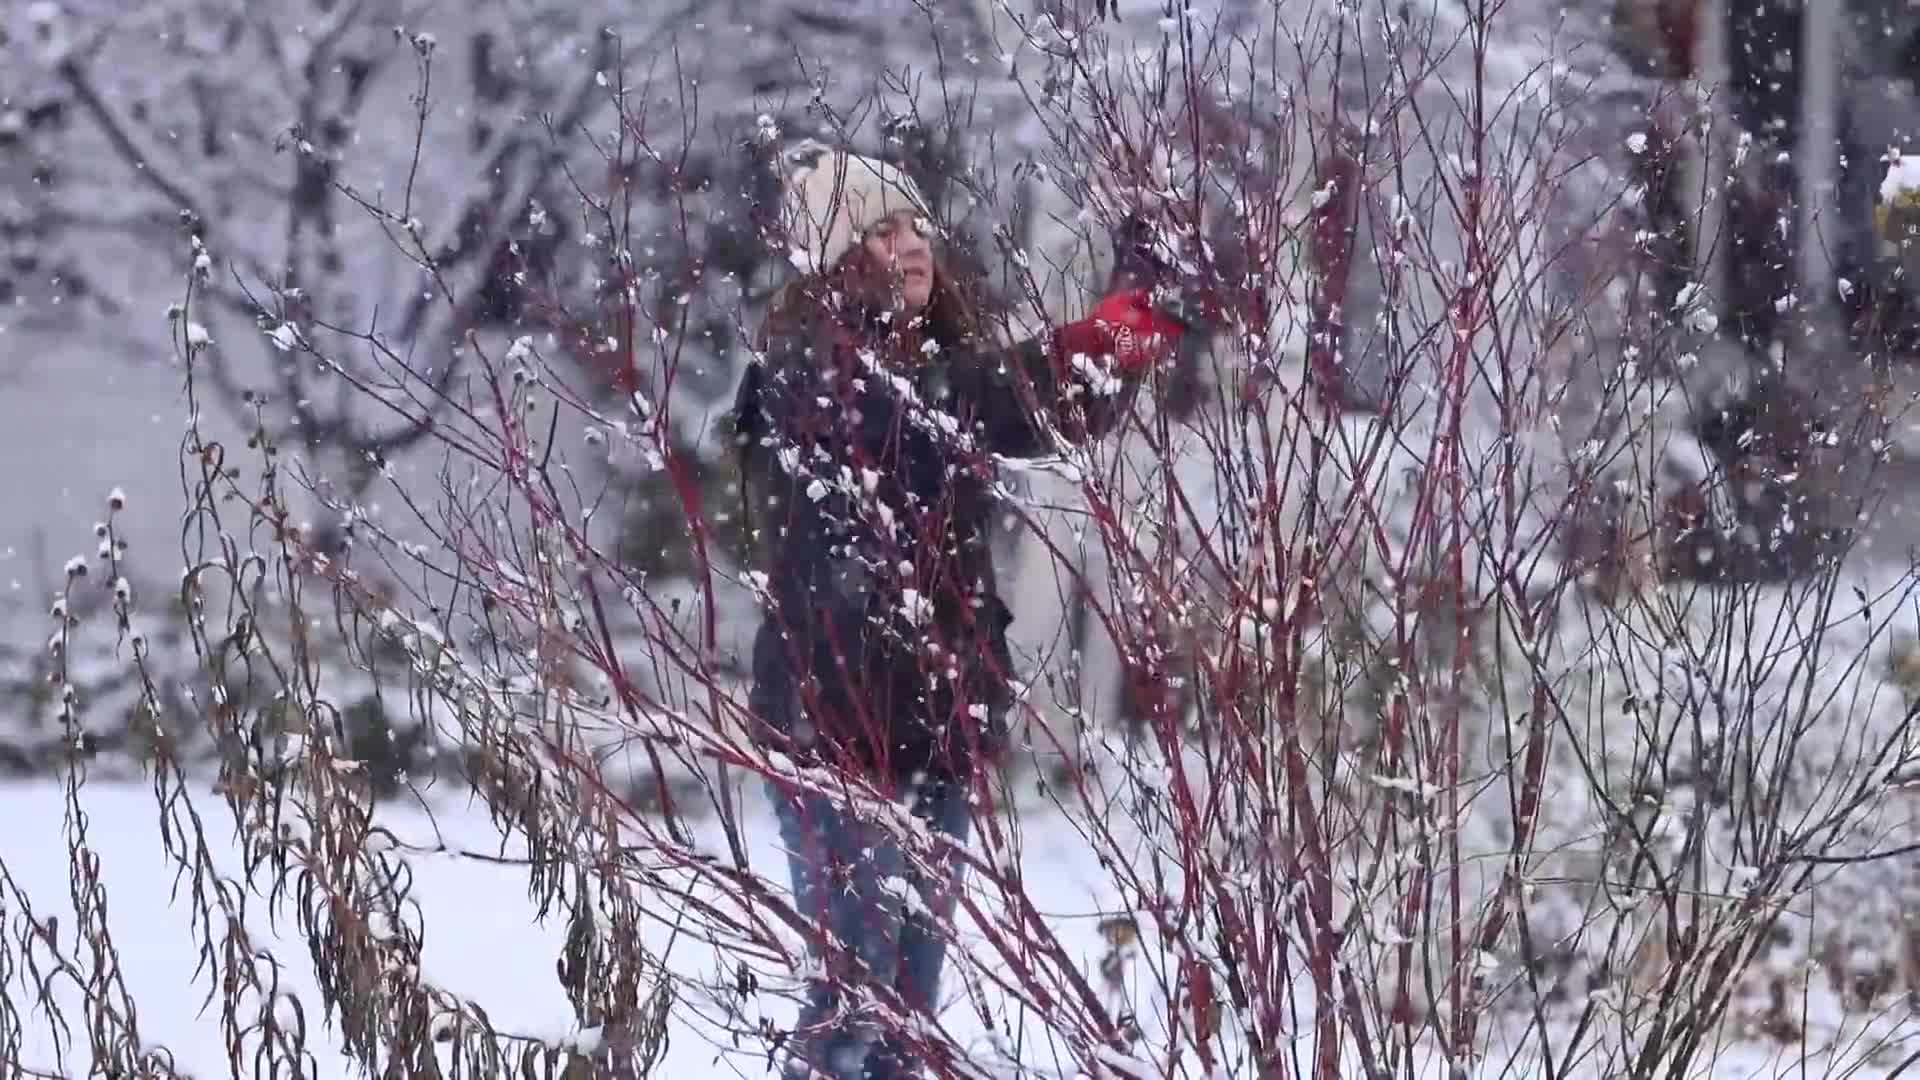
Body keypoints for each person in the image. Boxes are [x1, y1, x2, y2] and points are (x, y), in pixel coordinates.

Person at [732, 146, 1183, 1080]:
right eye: (878, 231)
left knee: (906, 1019)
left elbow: (1033, 411)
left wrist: (1135, 313)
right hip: (832, 730)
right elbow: (931, 410)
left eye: (913, 226)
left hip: (935, 729)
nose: (908, 246)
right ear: (829, 259)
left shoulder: (944, 366)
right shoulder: (802, 367)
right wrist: (1080, 348)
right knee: (849, 1002)